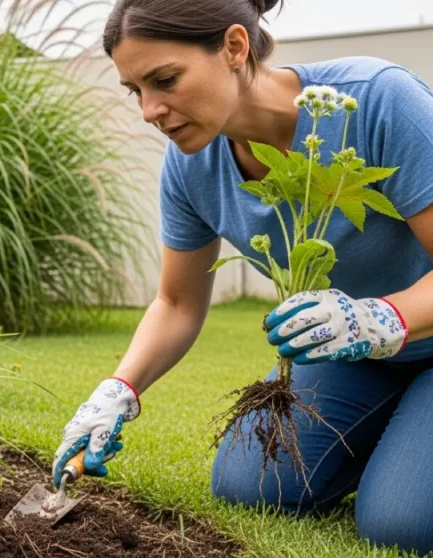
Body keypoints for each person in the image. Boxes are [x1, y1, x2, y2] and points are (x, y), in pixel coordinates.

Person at [52, 0, 433, 554]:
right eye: (136, 91)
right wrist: (117, 391)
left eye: (165, 80)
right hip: (356, 357)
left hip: (398, 332)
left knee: (401, 526)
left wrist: (376, 318)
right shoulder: (191, 165)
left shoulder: (377, 100)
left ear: (235, 47)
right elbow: (177, 303)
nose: (150, 110)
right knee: (249, 486)